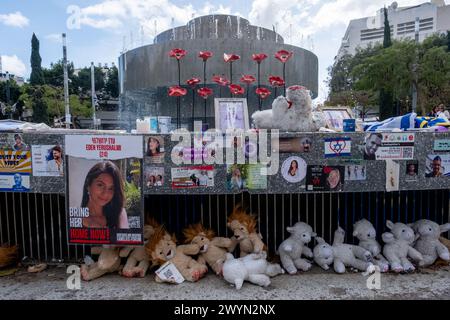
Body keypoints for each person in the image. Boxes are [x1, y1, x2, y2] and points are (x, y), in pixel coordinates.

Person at [81, 161, 129, 229]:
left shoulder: (119, 213)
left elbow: (124, 238)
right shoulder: (76, 218)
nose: (105, 193)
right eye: (100, 185)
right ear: (88, 185)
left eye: (111, 188)